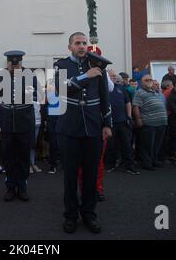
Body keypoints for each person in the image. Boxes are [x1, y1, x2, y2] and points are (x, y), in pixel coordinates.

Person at [54, 32, 112, 234]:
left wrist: (107, 124)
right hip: (69, 128)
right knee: (70, 176)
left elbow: (105, 97)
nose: (81, 46)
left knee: (90, 175)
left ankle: (89, 214)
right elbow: (59, 91)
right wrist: (84, 77)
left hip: (93, 127)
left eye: (84, 43)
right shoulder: (61, 66)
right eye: (77, 43)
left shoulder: (98, 66)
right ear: (69, 47)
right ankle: (70, 216)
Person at [0, 50, 37, 203]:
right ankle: (10, 187)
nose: (14, 64)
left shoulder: (30, 75)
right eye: (11, 62)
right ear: (7, 62)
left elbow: (38, 95)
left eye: (17, 62)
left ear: (22, 62)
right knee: (8, 157)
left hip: (25, 122)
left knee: (23, 157)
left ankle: (22, 187)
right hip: (6, 123)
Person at [105, 70, 139, 175]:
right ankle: (111, 164)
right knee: (111, 146)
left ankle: (129, 165)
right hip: (110, 123)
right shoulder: (103, 88)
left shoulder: (121, 88)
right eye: (112, 76)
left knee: (127, 145)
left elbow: (127, 103)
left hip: (123, 121)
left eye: (115, 76)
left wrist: (129, 116)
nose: (114, 77)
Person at [132, 74, 168, 171]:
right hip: (149, 123)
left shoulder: (155, 92)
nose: (149, 81)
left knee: (157, 144)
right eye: (146, 80)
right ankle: (147, 162)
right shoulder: (139, 92)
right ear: (141, 82)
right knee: (148, 145)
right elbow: (135, 106)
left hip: (161, 123)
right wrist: (138, 119)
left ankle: (154, 160)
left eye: (150, 79)